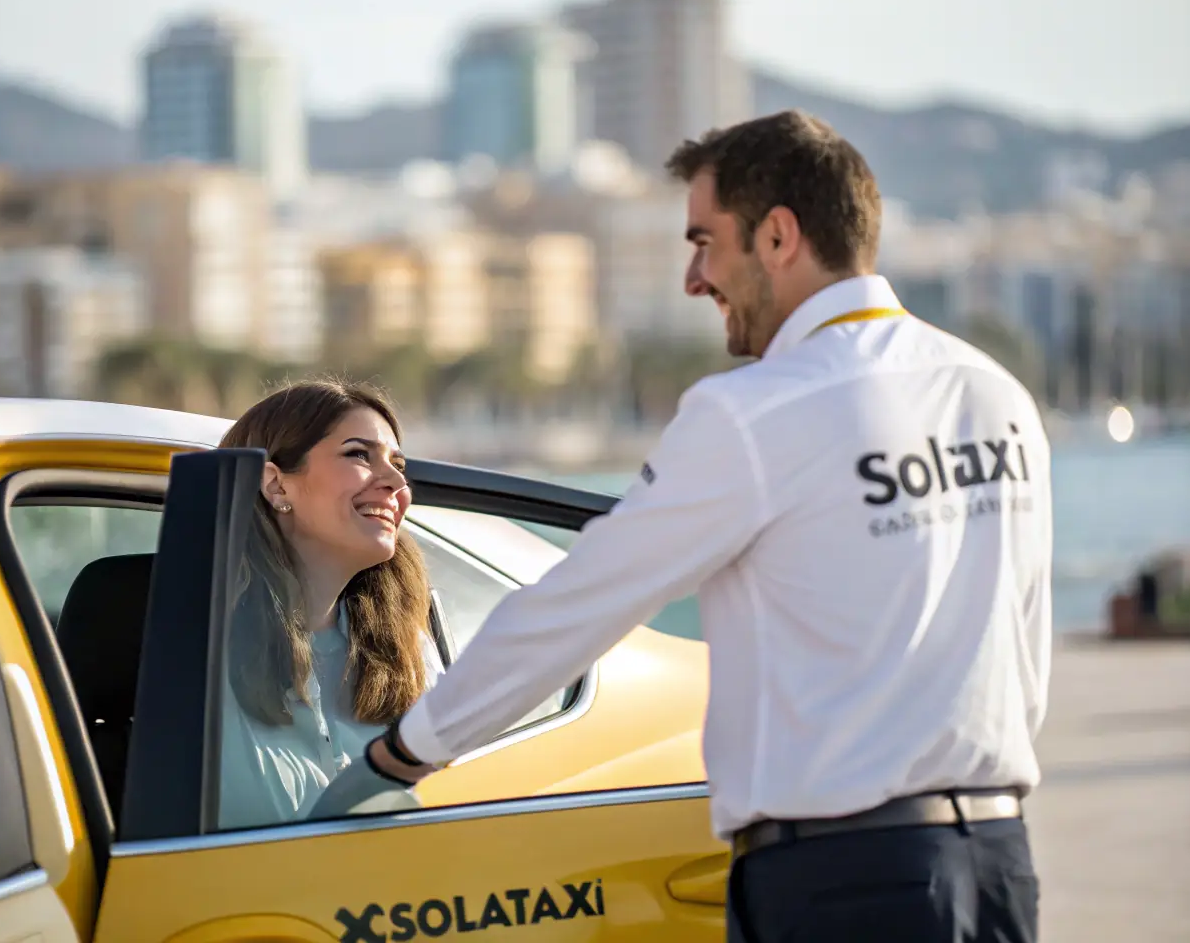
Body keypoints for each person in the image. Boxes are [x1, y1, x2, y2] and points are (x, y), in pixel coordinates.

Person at [340, 110, 1051, 942]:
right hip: (999, 864)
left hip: (845, 881)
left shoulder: (753, 414)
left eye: (704, 241)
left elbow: (582, 601)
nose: (694, 278)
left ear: (778, 236)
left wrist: (406, 751)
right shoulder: (993, 392)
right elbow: (1023, 637)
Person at [215, 378, 443, 829]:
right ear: (276, 485)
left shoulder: (410, 652)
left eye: (397, 464)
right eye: (359, 454)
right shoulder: (203, 651)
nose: (397, 482)